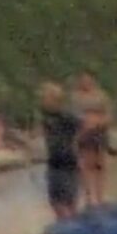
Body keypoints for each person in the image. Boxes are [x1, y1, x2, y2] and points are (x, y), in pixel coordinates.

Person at [40, 81, 82, 219]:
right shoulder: (46, 116)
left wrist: (76, 142)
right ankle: (65, 225)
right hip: (54, 161)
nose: (43, 101)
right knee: (55, 200)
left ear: (54, 99)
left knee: (68, 201)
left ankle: (71, 227)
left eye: (45, 98)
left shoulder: (66, 115)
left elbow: (83, 125)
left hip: (67, 160)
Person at [70, 71, 112, 207]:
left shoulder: (102, 95)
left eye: (88, 79)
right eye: (83, 79)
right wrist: (85, 121)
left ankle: (100, 196)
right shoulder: (75, 97)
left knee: (100, 164)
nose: (86, 82)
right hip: (83, 132)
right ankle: (88, 197)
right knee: (86, 165)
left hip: (100, 131)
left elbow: (109, 114)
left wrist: (100, 121)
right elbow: (72, 116)